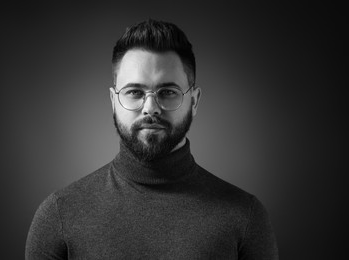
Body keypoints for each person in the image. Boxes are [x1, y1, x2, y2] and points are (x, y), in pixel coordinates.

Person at [25, 19, 279, 259]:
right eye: (134, 91)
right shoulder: (59, 214)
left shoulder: (245, 216)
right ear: (113, 101)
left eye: (168, 92)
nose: (150, 108)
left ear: (194, 101)